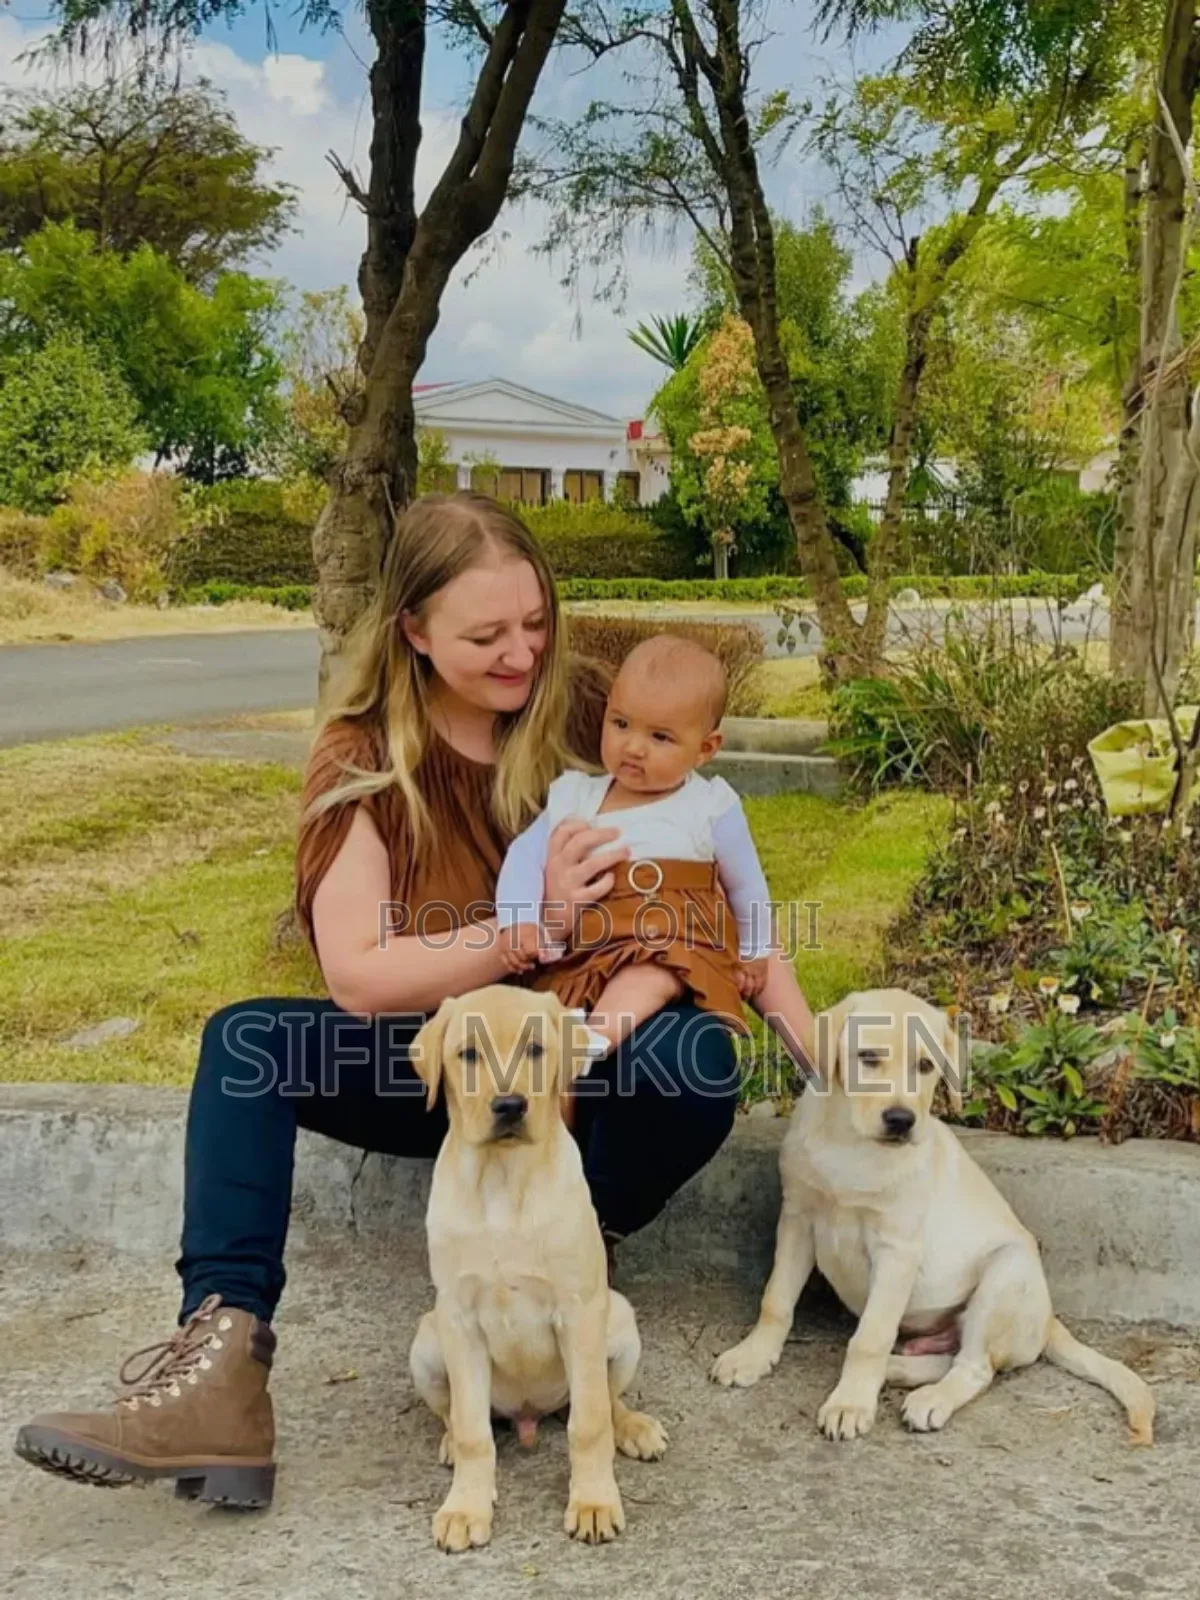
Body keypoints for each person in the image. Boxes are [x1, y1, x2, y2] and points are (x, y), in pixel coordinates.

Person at [13, 491, 811, 1510]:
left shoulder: (585, 718)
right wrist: (528, 931)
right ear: (415, 632)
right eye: (486, 634)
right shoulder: (363, 756)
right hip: (439, 1061)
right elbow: (357, 972)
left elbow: (716, 888)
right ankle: (220, 1366)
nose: (523, 653)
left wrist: (818, 1049)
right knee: (249, 1042)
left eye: (536, 623)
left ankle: (566, 1275)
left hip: (581, 1057)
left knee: (699, 1058)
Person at [495, 633, 815, 1061]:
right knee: (620, 981)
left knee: (669, 966)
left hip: (678, 936)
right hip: (595, 945)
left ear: (706, 748)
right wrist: (518, 920)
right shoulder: (575, 797)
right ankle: (579, 1058)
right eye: (621, 724)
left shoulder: (710, 805)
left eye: (660, 737)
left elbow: (747, 887)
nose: (633, 747)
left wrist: (756, 950)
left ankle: (817, 1060)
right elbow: (524, 855)